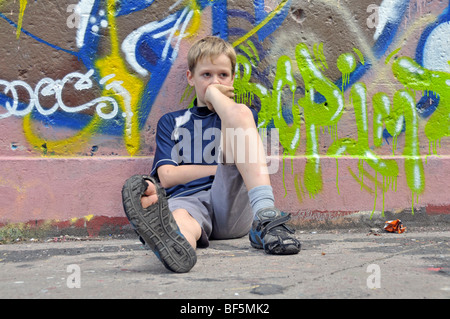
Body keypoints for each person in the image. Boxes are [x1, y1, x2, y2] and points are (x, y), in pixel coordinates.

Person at [122, 36, 301, 273]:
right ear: (190, 78)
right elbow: (166, 176)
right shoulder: (171, 122)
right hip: (188, 201)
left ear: (232, 79)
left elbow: (236, 120)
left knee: (241, 114)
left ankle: (265, 217)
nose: (215, 81)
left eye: (223, 75)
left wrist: (214, 95)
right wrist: (215, 168)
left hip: (232, 205)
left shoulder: (240, 118)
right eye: (206, 75)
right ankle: (176, 244)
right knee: (179, 218)